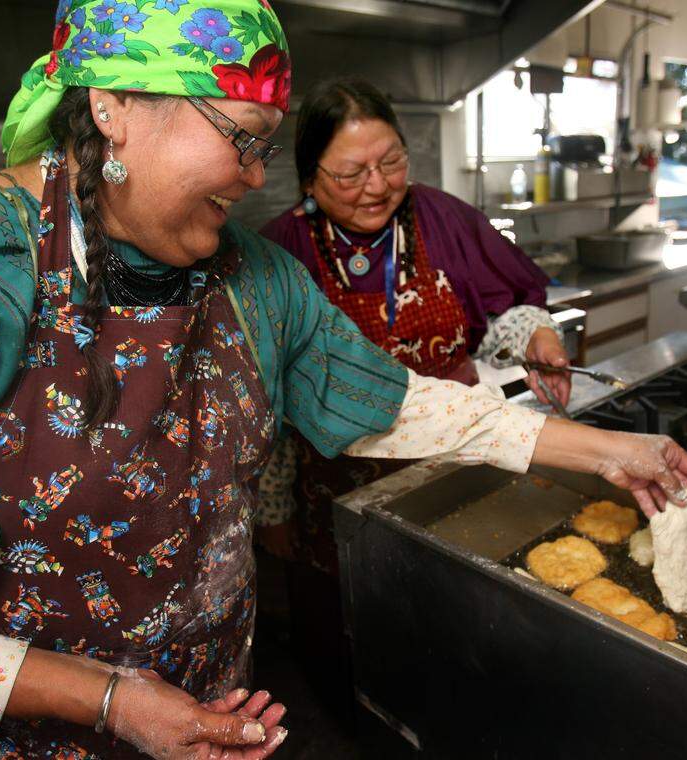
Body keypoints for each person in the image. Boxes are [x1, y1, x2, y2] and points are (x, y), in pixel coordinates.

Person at [0, 8, 687, 760]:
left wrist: (604, 450)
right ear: (114, 107)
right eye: (243, 139)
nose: (259, 180)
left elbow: (391, 398)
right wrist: (111, 701)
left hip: (205, 722)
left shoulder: (255, 278)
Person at [254, 77, 575, 718]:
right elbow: (268, 399)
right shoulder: (278, 253)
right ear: (309, 176)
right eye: (350, 173)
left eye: (391, 161)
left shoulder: (442, 217)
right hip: (335, 488)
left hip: (454, 467)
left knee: (455, 628)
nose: (377, 186)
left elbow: (506, 307)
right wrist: (274, 505)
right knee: (351, 636)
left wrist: (536, 332)